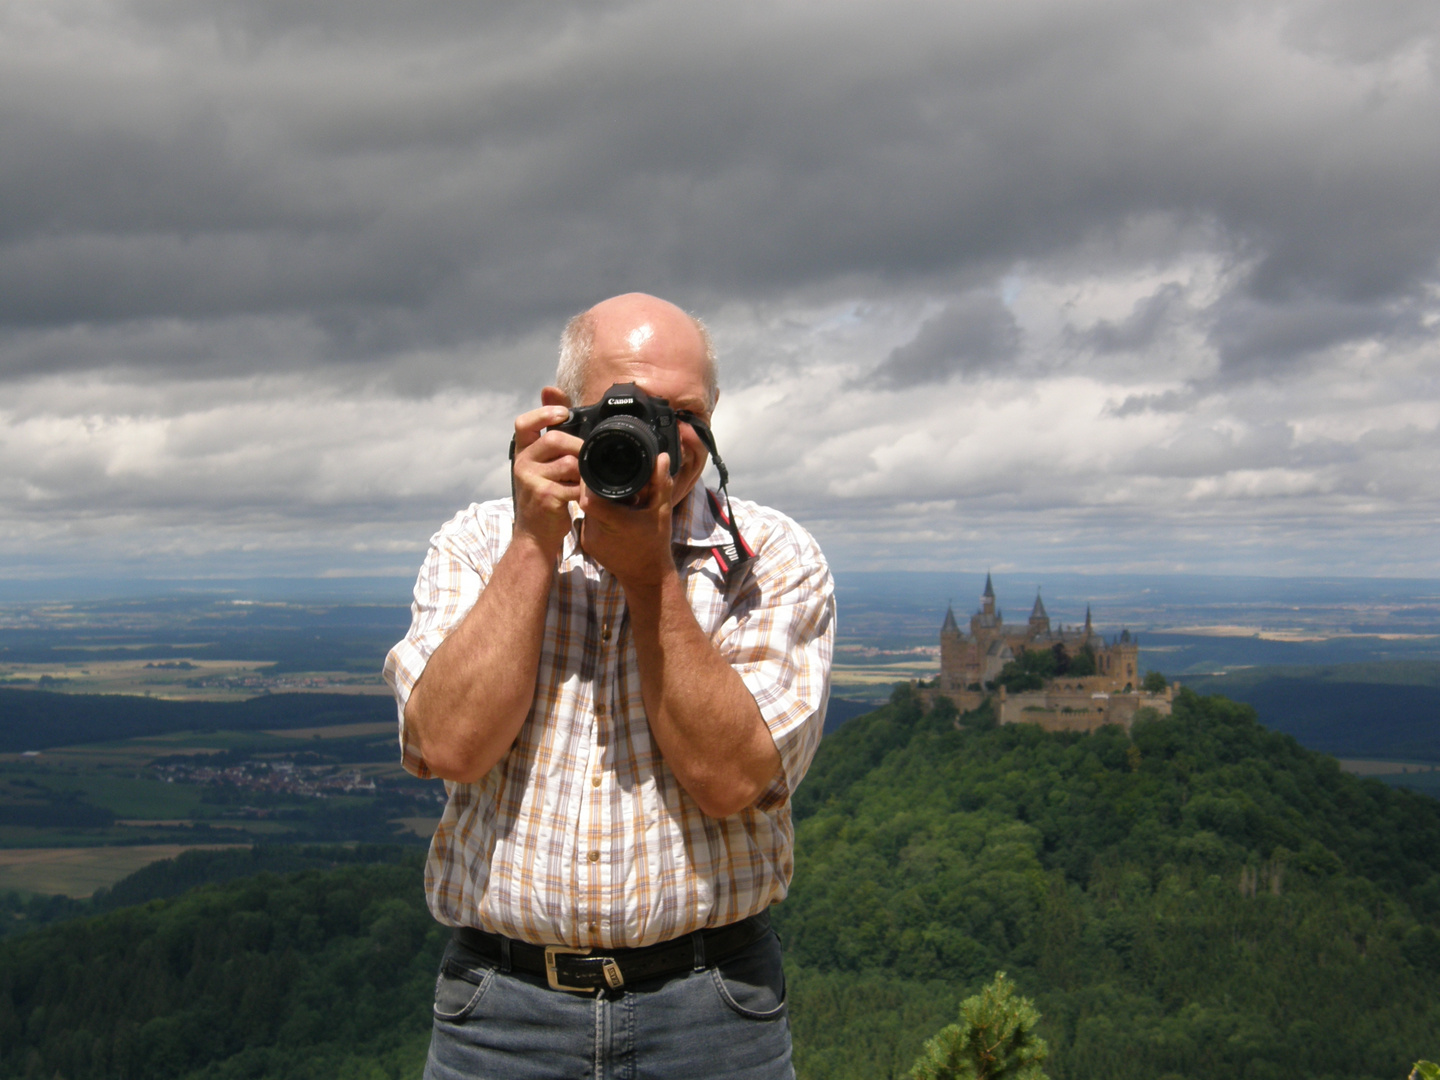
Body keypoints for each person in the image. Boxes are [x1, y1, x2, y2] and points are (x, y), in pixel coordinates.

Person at [382, 292, 835, 1079]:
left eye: (681, 411)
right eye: (625, 409)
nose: (657, 435)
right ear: (562, 412)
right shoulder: (476, 542)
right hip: (501, 1012)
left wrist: (650, 574)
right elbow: (448, 744)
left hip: (712, 1008)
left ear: (716, 413)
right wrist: (533, 542)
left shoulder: (771, 559)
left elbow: (732, 779)